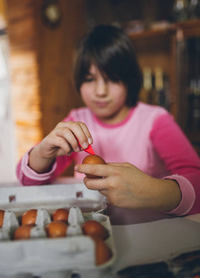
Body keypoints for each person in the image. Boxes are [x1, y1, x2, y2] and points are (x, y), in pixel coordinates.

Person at [17, 24, 200, 220]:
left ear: (130, 80)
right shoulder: (77, 120)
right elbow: (27, 181)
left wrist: (151, 191)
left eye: (112, 79)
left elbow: (197, 182)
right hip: (94, 233)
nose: (100, 91)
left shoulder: (155, 120)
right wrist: (43, 152)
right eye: (89, 79)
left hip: (149, 234)